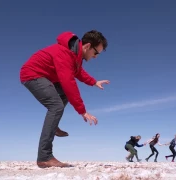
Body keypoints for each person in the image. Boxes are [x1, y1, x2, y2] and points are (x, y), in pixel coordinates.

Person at [20, 30, 109, 168]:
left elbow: (78, 72)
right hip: (32, 75)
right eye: (96, 52)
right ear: (87, 46)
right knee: (56, 106)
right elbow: (68, 83)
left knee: (61, 101)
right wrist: (82, 111)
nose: (96, 57)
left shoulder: (75, 55)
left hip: (46, 77)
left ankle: (53, 125)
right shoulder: (65, 54)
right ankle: (44, 157)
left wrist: (93, 82)